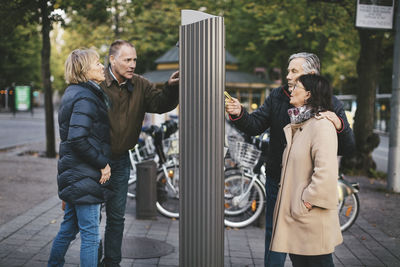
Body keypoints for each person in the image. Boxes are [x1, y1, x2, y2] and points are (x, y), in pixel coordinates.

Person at [224, 52, 355, 267]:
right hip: (278, 179)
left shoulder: (329, 105)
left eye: (294, 71)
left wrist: (339, 125)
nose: (288, 76)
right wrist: (239, 113)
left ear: (310, 76)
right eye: (288, 70)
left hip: (305, 187)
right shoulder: (278, 96)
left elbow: (346, 147)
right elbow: (256, 125)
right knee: (275, 236)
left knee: (309, 246)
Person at [99, 40, 179, 267]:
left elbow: (160, 103)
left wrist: (171, 87)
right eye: (127, 60)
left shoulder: (141, 84)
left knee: (116, 217)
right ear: (112, 60)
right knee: (92, 216)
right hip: (96, 161)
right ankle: (91, 260)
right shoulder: (97, 84)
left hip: (121, 161)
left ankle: (112, 262)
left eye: (134, 59)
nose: (133, 64)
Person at [48, 48, 114, 267]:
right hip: (85, 175)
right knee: (91, 236)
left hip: (75, 174)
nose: (102, 66)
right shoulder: (85, 97)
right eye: (97, 63)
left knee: (68, 228)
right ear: (84, 70)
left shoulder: (75, 93)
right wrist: (102, 163)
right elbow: (77, 139)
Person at [270, 74, 342, 266]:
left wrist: (306, 202)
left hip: (310, 220)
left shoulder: (321, 125)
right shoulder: (301, 124)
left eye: (296, 88)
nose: (291, 91)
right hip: (300, 219)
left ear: (308, 94)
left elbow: (325, 172)